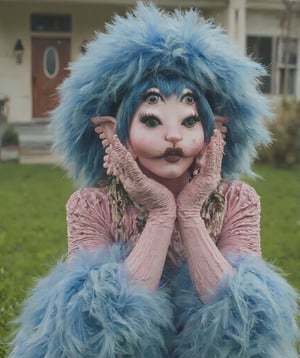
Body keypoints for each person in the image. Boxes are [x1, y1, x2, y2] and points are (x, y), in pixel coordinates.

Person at [10, 3, 299, 357]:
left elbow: (242, 320)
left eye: (190, 121)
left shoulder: (238, 201)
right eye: (151, 120)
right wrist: (162, 213)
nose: (174, 136)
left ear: (216, 131)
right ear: (116, 134)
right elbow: (100, 324)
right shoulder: (92, 206)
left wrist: (190, 212)